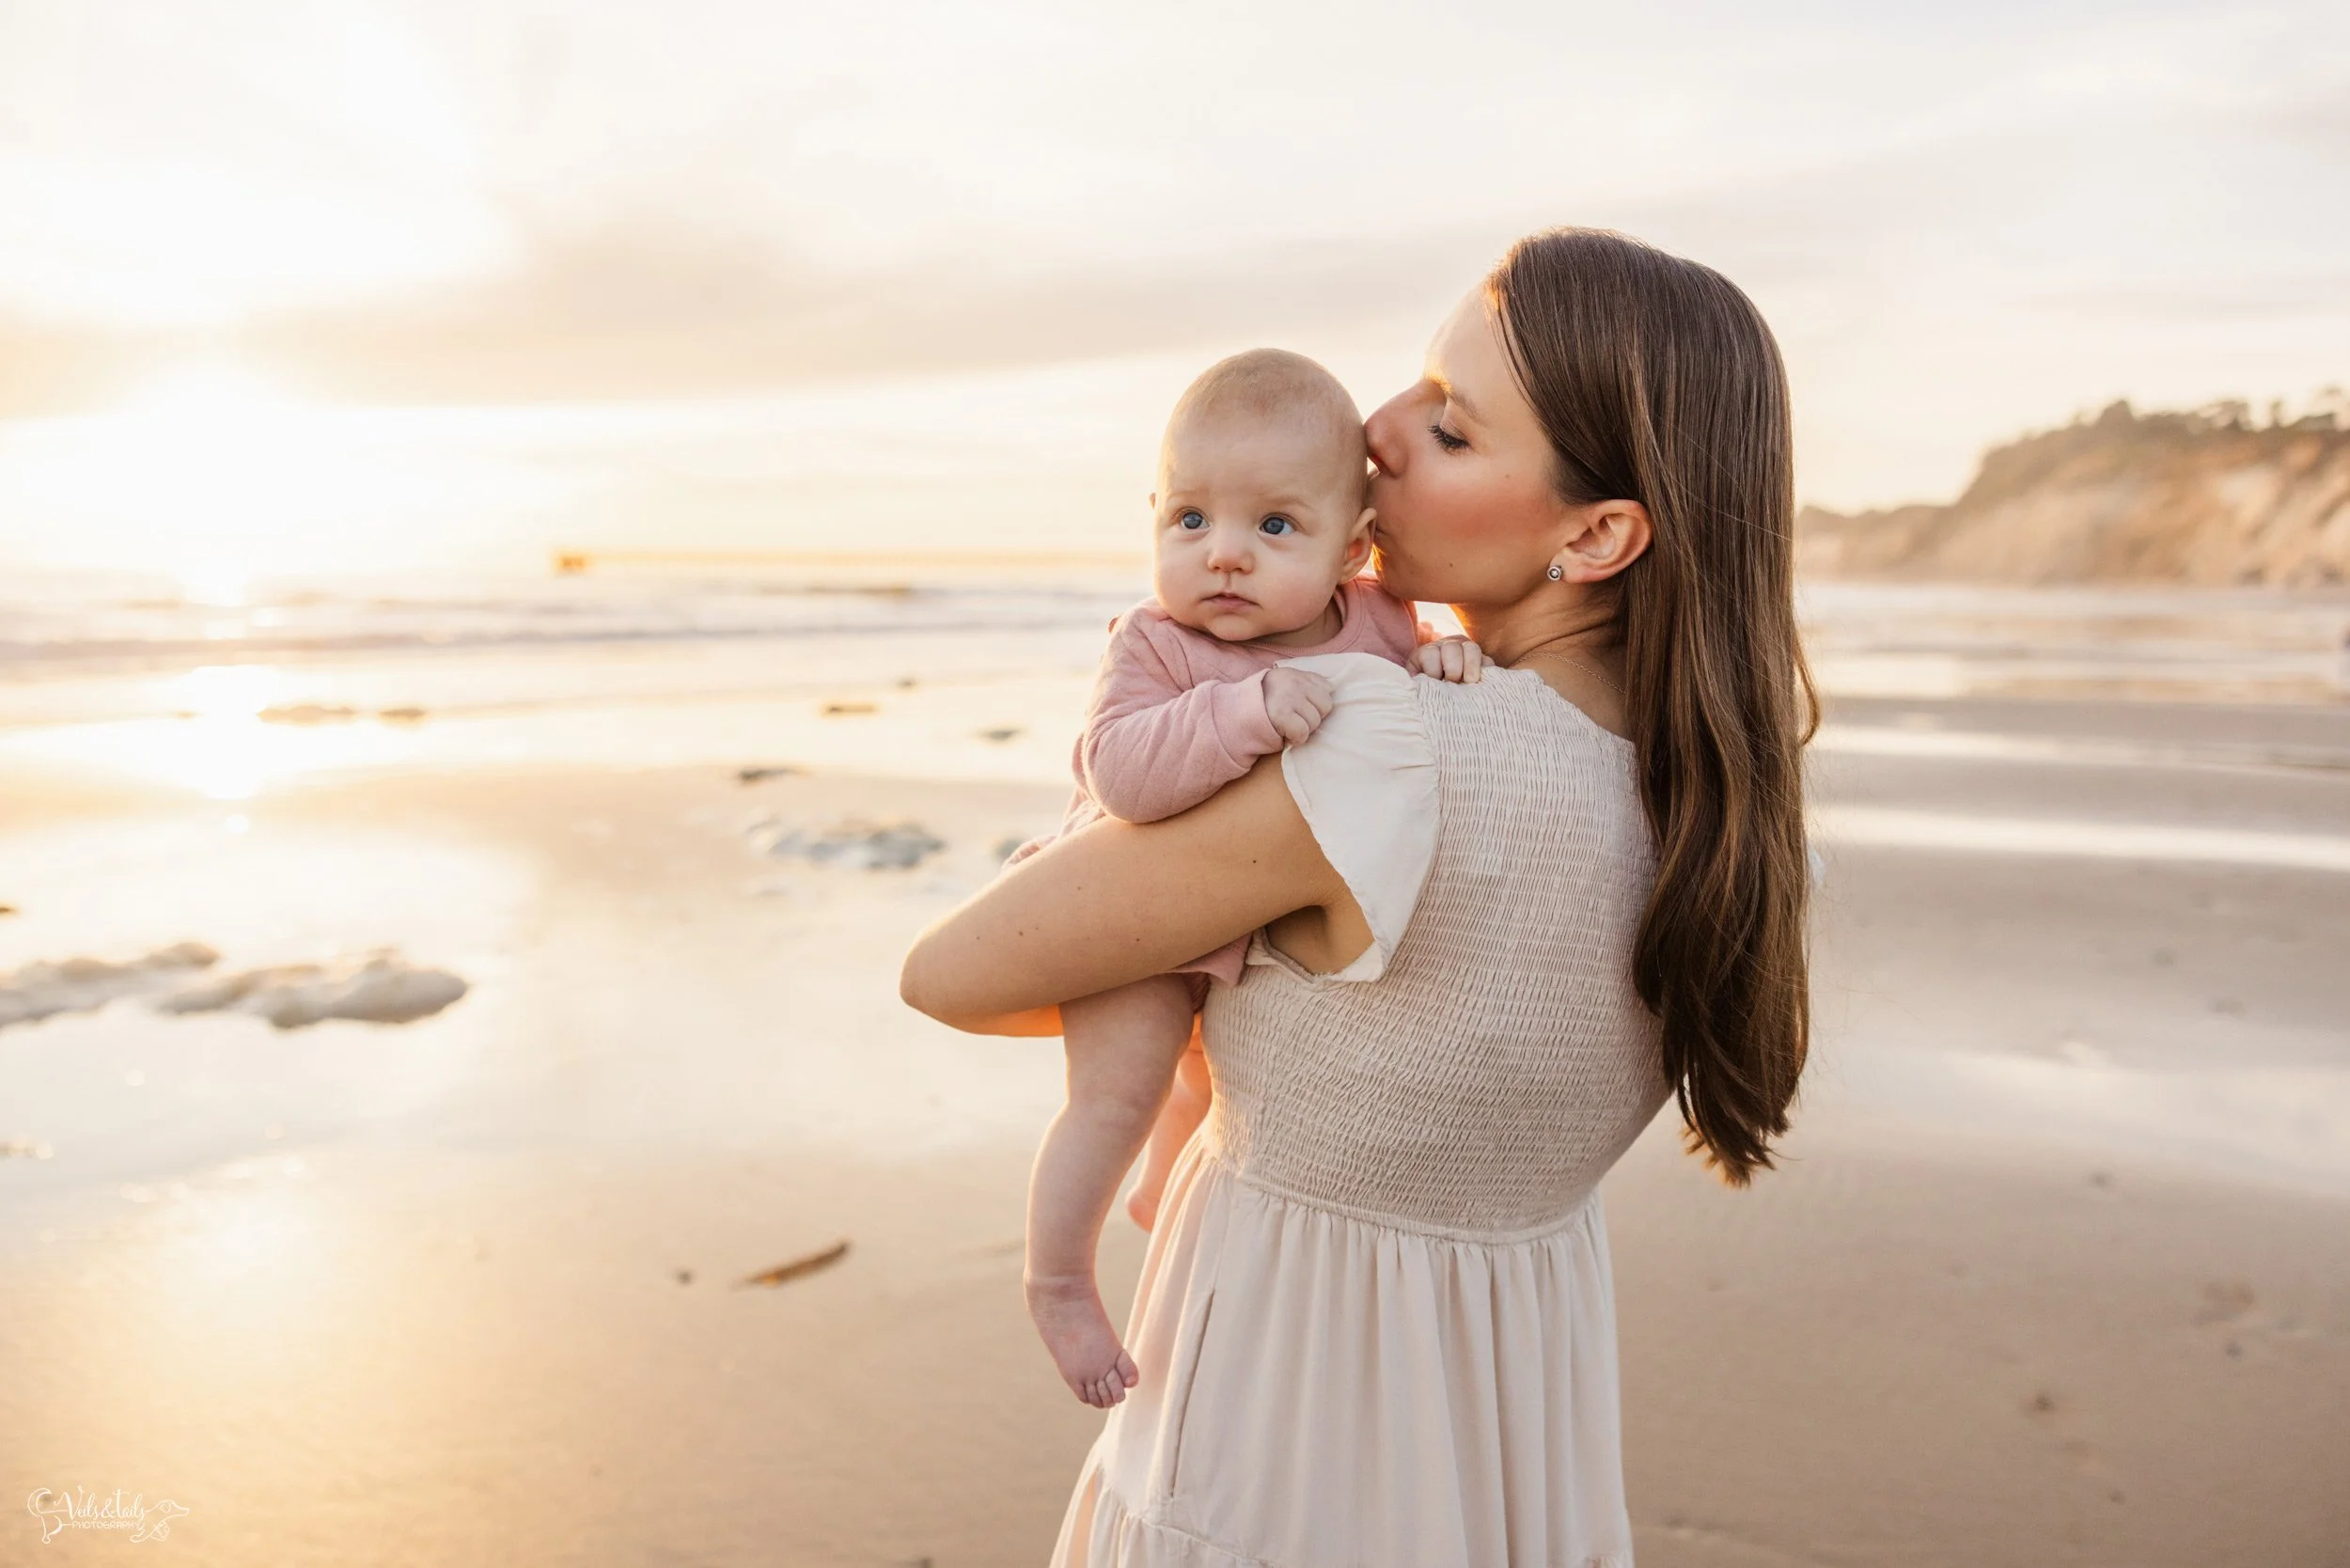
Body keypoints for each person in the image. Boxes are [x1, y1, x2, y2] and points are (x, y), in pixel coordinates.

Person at [901, 227, 1815, 1567]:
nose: (1375, 436)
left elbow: (953, 971)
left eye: (1450, 429)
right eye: (1412, 389)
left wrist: (1153, 917)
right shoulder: (1698, 795)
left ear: (1598, 533)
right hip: (1503, 1456)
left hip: (1280, 1441)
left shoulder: (1391, 748)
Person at [1009, 347, 1484, 1408]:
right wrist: (1239, 712)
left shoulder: (1378, 624)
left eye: (1273, 526)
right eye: (1190, 521)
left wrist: (1447, 657)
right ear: (1155, 518)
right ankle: (1058, 1280)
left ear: (1352, 551)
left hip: (1254, 927)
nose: (1222, 557)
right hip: (1135, 921)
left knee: (1210, 1090)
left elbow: (1399, 694)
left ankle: (1159, 1199)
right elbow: (1121, 774)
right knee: (1118, 1091)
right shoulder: (1155, 642)